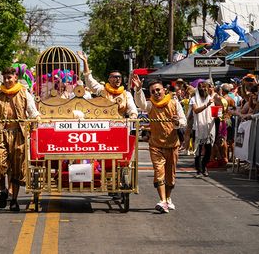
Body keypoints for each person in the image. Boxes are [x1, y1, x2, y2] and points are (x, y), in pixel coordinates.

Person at [0, 67, 40, 211]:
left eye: (10, 77)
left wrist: (37, 118)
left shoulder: (24, 93)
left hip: (19, 135)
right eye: (5, 78)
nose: (8, 80)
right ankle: (3, 189)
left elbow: (33, 111)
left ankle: (14, 200)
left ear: (15, 77)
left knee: (17, 169)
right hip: (1, 134)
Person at [132, 75, 186, 213]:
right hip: (156, 145)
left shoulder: (174, 103)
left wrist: (177, 122)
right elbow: (140, 104)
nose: (156, 93)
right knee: (158, 172)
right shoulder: (150, 105)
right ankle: (162, 200)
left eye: (158, 90)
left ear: (164, 90)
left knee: (170, 175)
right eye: (153, 91)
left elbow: (183, 121)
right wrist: (138, 90)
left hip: (172, 145)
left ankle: (168, 199)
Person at [77, 51, 138, 118]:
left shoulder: (126, 94)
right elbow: (89, 81)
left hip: (120, 124)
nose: (118, 79)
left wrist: (133, 115)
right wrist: (85, 62)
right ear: (109, 79)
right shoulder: (102, 90)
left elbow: (132, 108)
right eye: (115, 77)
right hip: (104, 123)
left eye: (119, 77)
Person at [190, 79, 215, 178]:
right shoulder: (194, 99)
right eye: (201, 87)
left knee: (208, 150)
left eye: (205, 87)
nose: (203, 89)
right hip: (198, 127)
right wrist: (206, 105)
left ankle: (204, 166)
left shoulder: (210, 99)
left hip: (208, 127)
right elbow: (196, 110)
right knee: (198, 151)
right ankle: (199, 170)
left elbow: (213, 112)